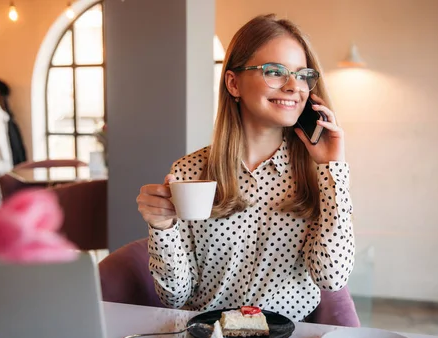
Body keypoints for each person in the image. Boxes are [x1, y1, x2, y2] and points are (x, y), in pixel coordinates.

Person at [136, 14, 355, 321]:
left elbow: (332, 278)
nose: (294, 86)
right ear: (233, 83)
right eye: (275, 72)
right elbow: (176, 296)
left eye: (303, 75)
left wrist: (333, 169)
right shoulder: (189, 172)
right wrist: (162, 229)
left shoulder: (316, 173)